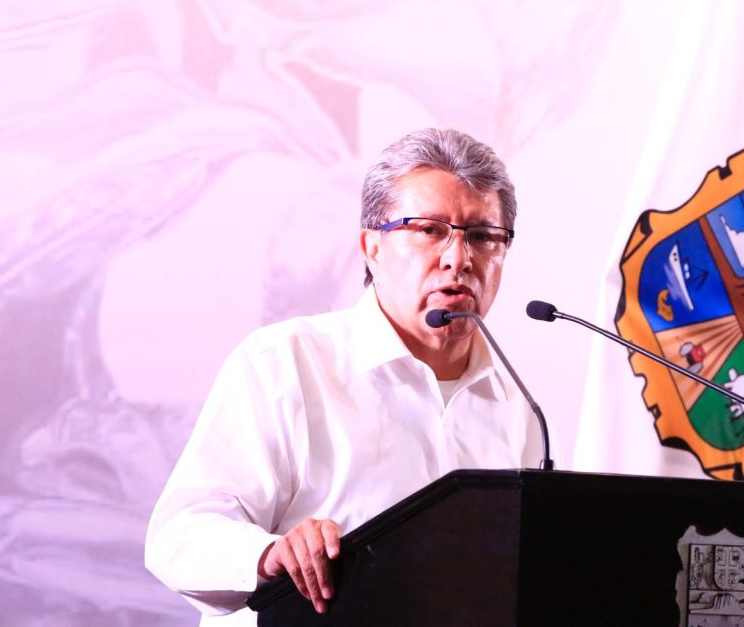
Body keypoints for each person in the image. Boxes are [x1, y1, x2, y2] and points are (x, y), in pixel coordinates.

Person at [145, 128, 542, 625]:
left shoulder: (516, 404)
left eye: (482, 236)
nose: (458, 259)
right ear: (371, 246)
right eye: (429, 230)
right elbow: (178, 536)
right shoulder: (285, 363)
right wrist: (269, 554)